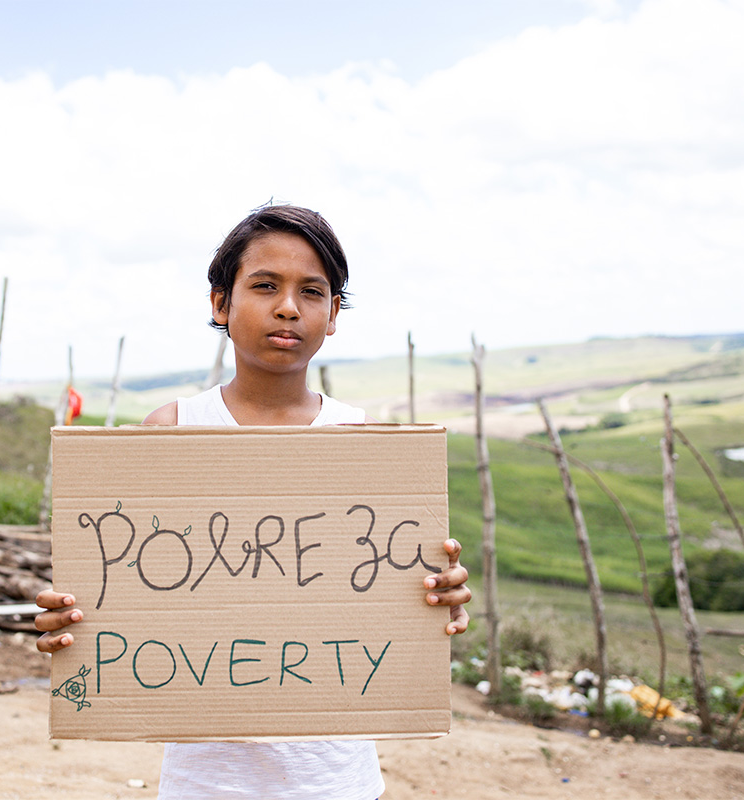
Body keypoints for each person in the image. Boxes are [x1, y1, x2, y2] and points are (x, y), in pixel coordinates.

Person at [36, 203, 472, 799]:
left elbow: (397, 602)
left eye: (312, 291)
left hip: (336, 782)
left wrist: (436, 603)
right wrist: (71, 622)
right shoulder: (172, 430)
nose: (288, 306)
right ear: (220, 302)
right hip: (204, 783)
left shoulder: (362, 442)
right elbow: (117, 592)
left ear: (334, 313)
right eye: (264, 285)